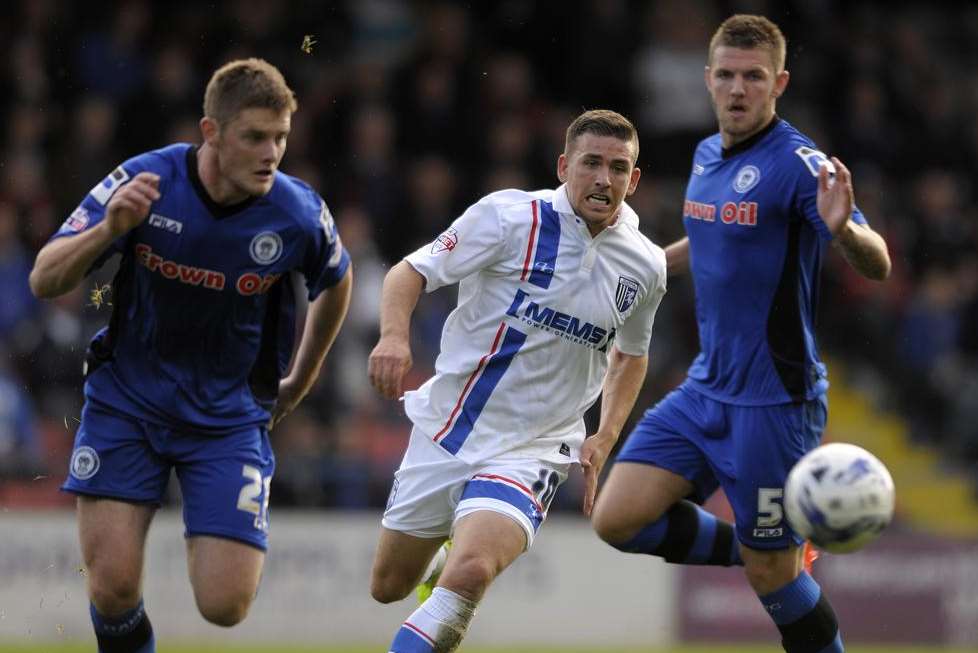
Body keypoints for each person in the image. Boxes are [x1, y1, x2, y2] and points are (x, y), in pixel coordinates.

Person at [28, 58, 352, 653]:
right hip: (128, 402)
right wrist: (109, 230)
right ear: (211, 131)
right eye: (255, 137)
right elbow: (44, 279)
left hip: (228, 418)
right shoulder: (145, 182)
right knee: (113, 588)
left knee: (225, 605)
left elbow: (337, 278)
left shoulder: (296, 212)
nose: (271, 152)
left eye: (281, 137)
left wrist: (301, 378)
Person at [591, 15, 891, 653]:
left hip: (775, 403)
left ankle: (775, 561)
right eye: (725, 75)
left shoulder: (798, 164)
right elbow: (708, 240)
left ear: (778, 82)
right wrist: (634, 269)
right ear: (707, 79)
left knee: (772, 583)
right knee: (615, 519)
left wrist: (844, 231)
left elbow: (879, 262)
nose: (736, 89)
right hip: (705, 391)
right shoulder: (706, 154)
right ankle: (770, 553)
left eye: (752, 77)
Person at [367, 109, 667, 652]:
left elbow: (632, 354)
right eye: (591, 163)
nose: (604, 178)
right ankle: (439, 560)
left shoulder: (645, 264)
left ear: (634, 179)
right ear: (563, 167)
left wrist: (605, 434)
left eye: (618, 167)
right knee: (389, 585)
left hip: (536, 447)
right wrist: (393, 337)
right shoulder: (507, 218)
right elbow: (409, 272)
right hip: (448, 426)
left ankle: (454, 570)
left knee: (472, 573)